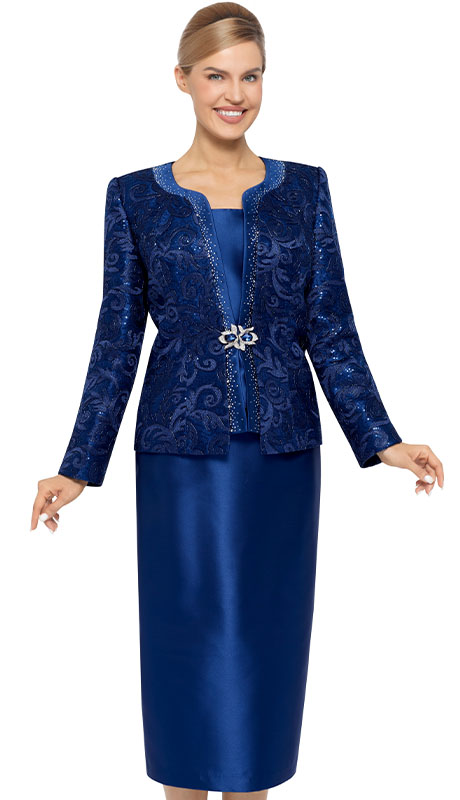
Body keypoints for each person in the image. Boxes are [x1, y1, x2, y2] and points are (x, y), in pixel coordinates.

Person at [30, 3, 444, 799]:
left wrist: (381, 437)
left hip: (283, 453)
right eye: (216, 75)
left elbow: (330, 323)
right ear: (181, 79)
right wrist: (77, 466)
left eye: (250, 76)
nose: (235, 94)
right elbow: (117, 339)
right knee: (188, 645)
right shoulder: (135, 197)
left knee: (263, 649)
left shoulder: (305, 190)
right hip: (180, 456)